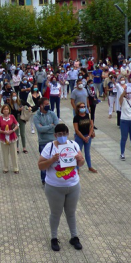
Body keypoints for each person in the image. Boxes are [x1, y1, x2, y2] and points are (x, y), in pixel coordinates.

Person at [37, 123, 85, 252]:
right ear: (55, 135)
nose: (62, 136)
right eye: (59, 134)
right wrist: (52, 160)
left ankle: (74, 236)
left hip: (73, 186)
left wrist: (80, 159)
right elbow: (40, 166)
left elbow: (81, 162)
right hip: (54, 187)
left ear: (68, 134)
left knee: (71, 213)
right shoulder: (50, 147)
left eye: (64, 134)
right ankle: (53, 237)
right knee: (55, 213)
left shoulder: (73, 145)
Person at [34, 97, 59, 185]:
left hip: (53, 141)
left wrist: (46, 127)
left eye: (48, 104)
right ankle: (44, 180)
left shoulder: (52, 113)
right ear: (41, 106)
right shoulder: (36, 116)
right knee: (44, 161)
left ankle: (55, 178)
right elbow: (40, 129)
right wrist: (51, 126)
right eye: (46, 104)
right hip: (43, 142)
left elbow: (57, 125)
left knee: (55, 161)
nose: (48, 106)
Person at [73, 102, 97, 173]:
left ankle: (90, 167)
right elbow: (76, 130)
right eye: (81, 107)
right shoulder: (76, 117)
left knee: (87, 153)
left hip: (88, 136)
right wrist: (83, 138)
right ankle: (77, 168)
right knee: (78, 153)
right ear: (78, 108)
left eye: (84, 107)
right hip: (79, 137)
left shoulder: (88, 115)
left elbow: (92, 126)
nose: (83, 108)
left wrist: (89, 136)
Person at [0, 104, 19, 173]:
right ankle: (5, 168)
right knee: (5, 153)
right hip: (3, 138)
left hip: (12, 137)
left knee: (14, 153)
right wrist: (3, 132)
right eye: (4, 109)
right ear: (2, 110)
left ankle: (16, 168)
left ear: (9, 110)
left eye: (7, 109)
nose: (6, 110)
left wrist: (13, 130)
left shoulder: (12, 117)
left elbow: (17, 124)